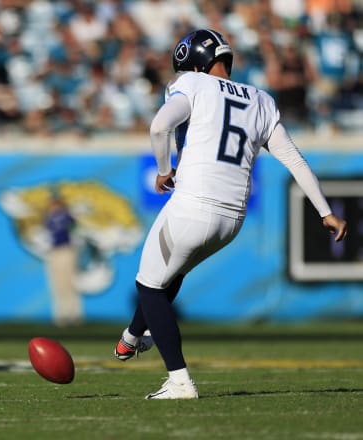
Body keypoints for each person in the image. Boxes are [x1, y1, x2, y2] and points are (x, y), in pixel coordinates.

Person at [113, 29, 347, 399]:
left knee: (149, 285)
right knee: (169, 273)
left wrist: (163, 169)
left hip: (194, 203)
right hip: (232, 219)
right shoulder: (260, 99)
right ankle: (130, 339)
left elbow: (159, 125)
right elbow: (294, 160)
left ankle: (179, 380)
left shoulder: (191, 83)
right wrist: (325, 211)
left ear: (193, 64)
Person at [43, 194, 81, 327]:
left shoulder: (67, 217)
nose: (53, 207)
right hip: (54, 252)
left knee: (69, 284)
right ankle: (61, 315)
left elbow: (76, 233)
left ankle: (74, 315)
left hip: (66, 250)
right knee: (57, 285)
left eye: (56, 204)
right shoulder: (48, 219)